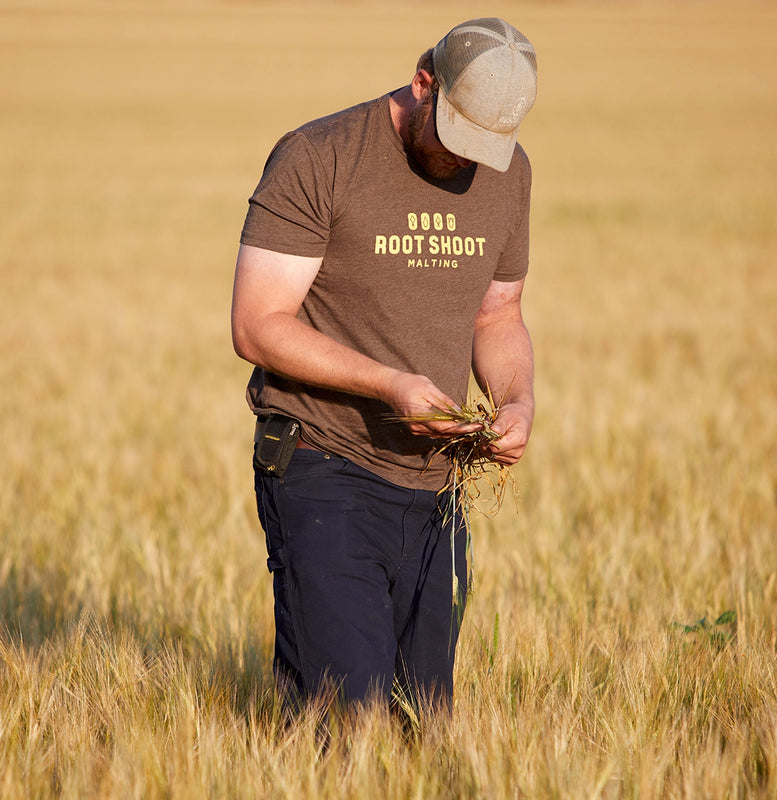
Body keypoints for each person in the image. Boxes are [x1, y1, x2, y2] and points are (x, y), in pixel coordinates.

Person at [231, 17, 537, 711]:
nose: (467, 162)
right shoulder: (320, 156)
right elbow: (257, 323)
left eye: (485, 149)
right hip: (325, 464)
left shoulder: (508, 172)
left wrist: (517, 401)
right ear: (423, 82)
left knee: (421, 721)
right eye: (456, 138)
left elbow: (499, 314)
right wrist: (390, 384)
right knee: (347, 716)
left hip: (438, 488)